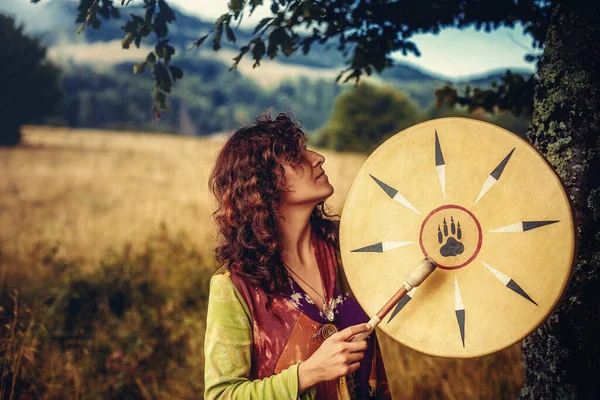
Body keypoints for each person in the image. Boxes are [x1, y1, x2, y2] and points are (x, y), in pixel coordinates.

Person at [204, 112, 391, 399]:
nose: (317, 158)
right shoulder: (234, 287)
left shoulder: (352, 252)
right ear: (262, 183)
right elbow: (221, 395)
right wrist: (309, 373)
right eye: (295, 157)